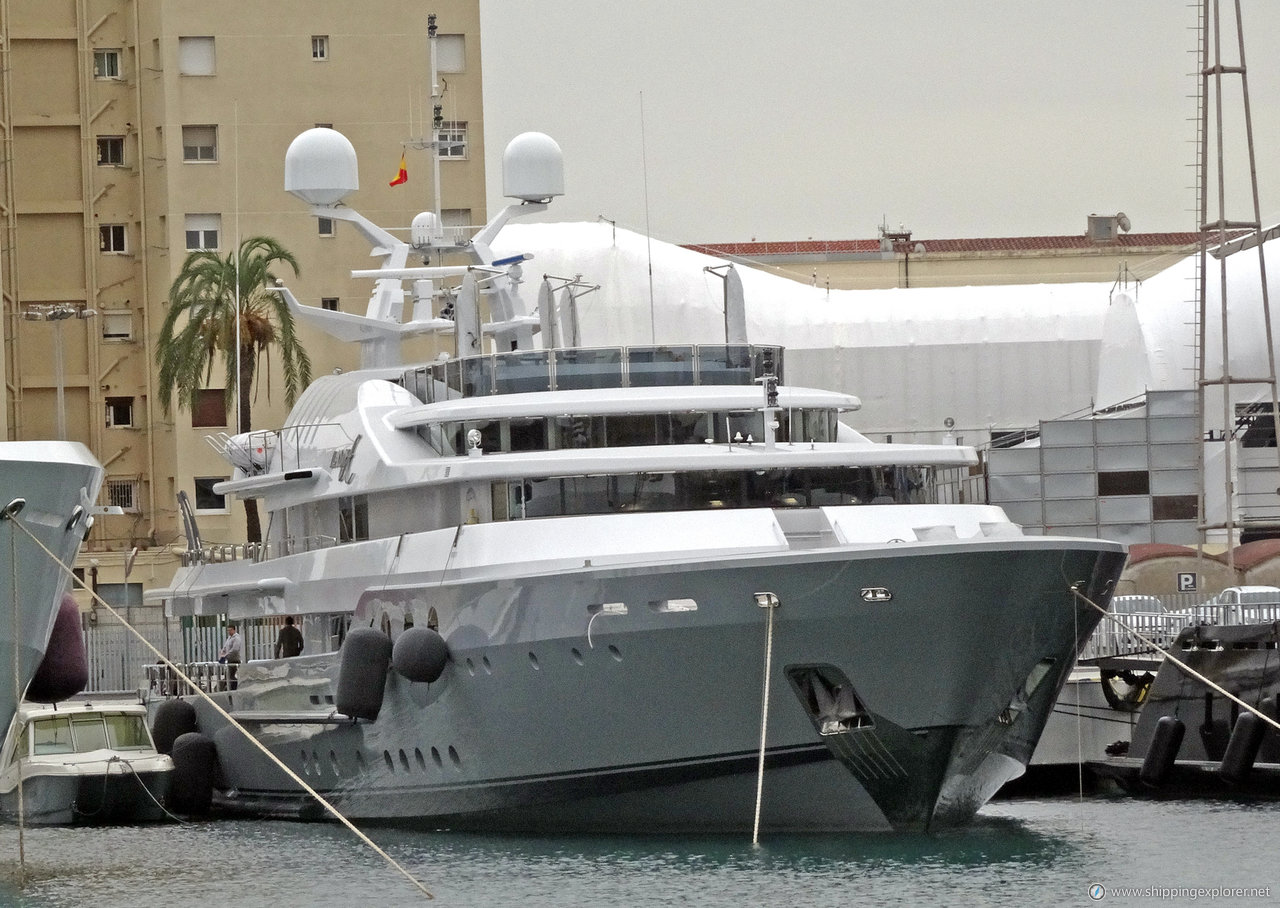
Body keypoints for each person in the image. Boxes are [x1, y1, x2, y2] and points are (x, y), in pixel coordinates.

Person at [218, 623, 243, 690]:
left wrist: (226, 655)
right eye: (228, 630)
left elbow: (235, 649)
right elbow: (226, 646)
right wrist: (222, 652)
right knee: (228, 675)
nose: (229, 632)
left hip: (235, 659)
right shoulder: (229, 638)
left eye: (230, 630)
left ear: (234, 630)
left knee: (230, 675)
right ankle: (231, 687)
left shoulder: (236, 638)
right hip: (229, 659)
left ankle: (234, 687)